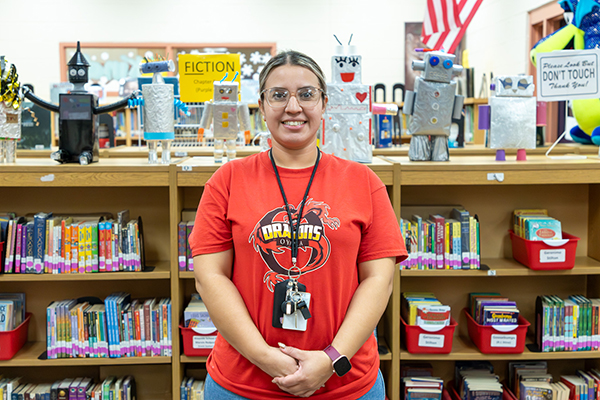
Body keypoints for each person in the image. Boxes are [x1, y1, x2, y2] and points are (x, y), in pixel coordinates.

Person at [190, 50, 407, 399]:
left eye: (306, 94)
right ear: (261, 106)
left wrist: (332, 359)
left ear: (324, 104)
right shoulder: (227, 180)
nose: (293, 107)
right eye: (279, 95)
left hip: (344, 383)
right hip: (244, 384)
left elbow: (379, 281)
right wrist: (266, 358)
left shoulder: (363, 181)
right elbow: (209, 277)